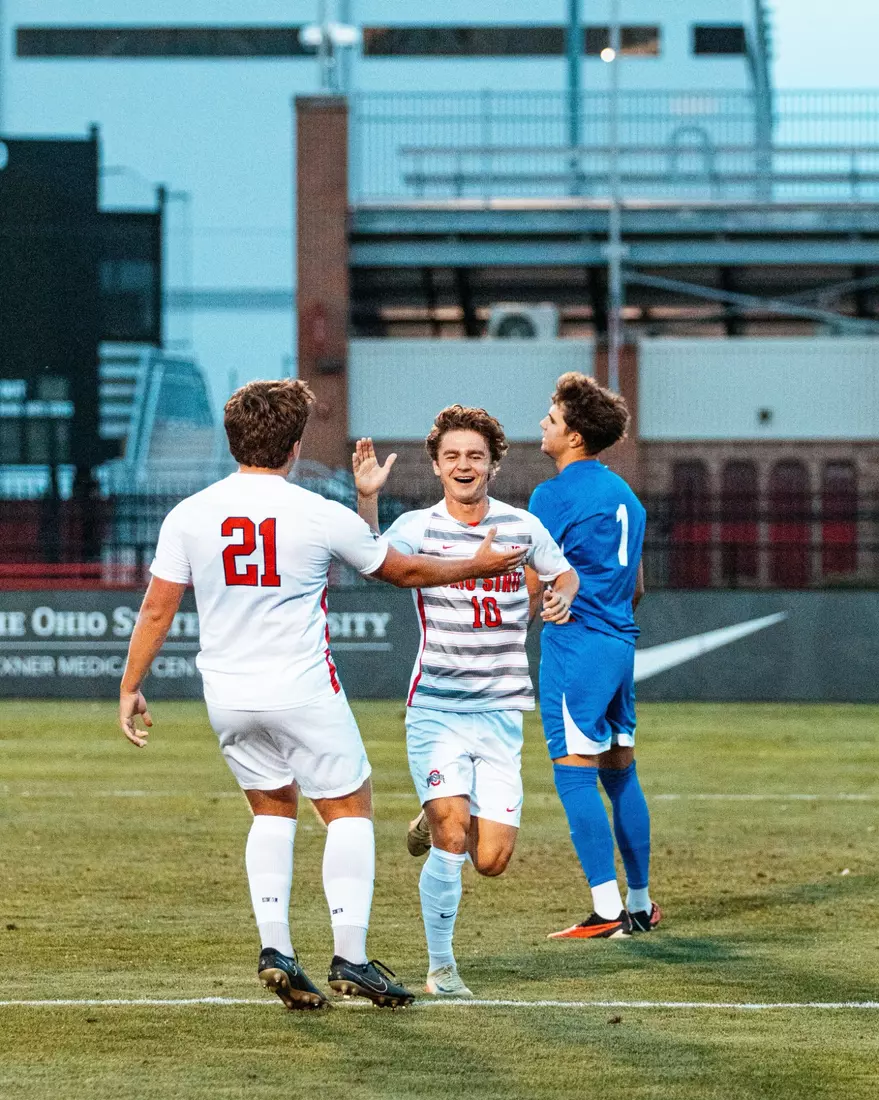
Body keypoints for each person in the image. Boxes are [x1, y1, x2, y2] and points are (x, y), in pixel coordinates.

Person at [118, 379, 527, 1011]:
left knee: (272, 811)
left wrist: (131, 685)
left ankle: (276, 947)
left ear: (234, 439)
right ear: (295, 443)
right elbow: (403, 569)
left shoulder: (188, 514)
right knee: (349, 811)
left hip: (227, 694)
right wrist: (479, 565)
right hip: (302, 689)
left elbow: (155, 612)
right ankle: (353, 959)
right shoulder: (316, 512)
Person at [353, 405, 578, 996]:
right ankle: (442, 968)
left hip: (502, 712)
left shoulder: (523, 527)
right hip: (437, 709)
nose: (463, 465)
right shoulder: (418, 526)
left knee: (493, 860)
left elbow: (564, 574)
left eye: (474, 455)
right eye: (452, 455)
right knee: (454, 840)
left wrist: (560, 598)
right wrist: (370, 501)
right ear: (436, 465)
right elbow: (376, 561)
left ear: (493, 465)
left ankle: (432, 816)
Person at [529, 372, 660, 940]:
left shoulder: (553, 494)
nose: (543, 423)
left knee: (574, 775)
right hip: (619, 643)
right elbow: (636, 587)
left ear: (575, 436)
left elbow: (539, 577)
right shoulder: (626, 495)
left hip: (576, 645)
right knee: (620, 772)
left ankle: (606, 910)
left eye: (552, 418)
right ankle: (640, 903)